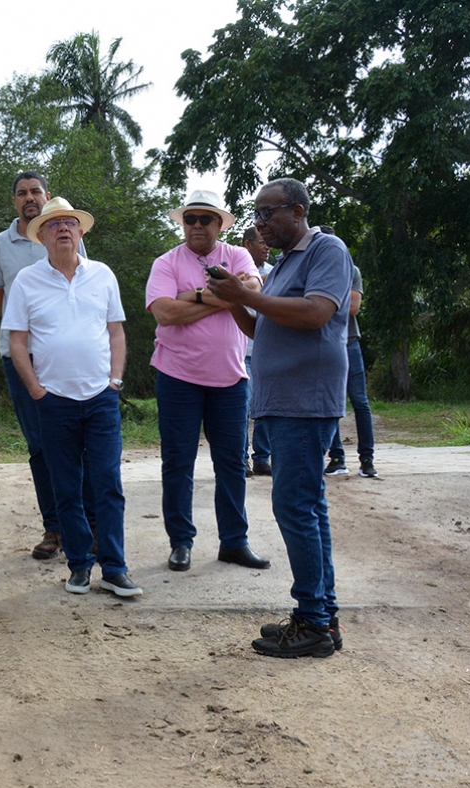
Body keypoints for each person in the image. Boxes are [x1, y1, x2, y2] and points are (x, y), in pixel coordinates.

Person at [208, 178, 351, 658]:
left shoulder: (325, 250)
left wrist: (247, 297)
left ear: (297, 210)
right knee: (308, 508)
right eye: (256, 214)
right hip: (282, 399)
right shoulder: (285, 264)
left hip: (305, 399)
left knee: (295, 507)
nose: (259, 223)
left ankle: (312, 620)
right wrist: (232, 299)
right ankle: (321, 617)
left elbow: (315, 314)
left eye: (268, 213)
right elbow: (262, 325)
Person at [4, 197, 140, 598]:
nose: (63, 228)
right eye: (54, 224)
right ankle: (79, 565)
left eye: (70, 223)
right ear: (41, 236)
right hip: (54, 401)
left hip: (100, 397)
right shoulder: (27, 280)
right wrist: (35, 390)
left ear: (80, 232)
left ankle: (115, 568)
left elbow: (116, 332)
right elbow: (17, 341)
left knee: (108, 483)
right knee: (65, 486)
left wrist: (115, 381)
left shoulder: (102, 275)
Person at [146, 191, 271, 575]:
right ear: (183, 223)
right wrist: (218, 294)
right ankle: (180, 543)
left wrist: (193, 296)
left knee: (232, 463)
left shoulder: (237, 256)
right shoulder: (166, 262)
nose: (197, 226)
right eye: (190, 219)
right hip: (176, 376)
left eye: (205, 219)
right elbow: (165, 313)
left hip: (231, 378)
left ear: (220, 224)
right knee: (178, 463)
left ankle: (234, 543)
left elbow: (253, 291)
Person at [0, 171, 93, 560]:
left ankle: (85, 526)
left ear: (48, 196)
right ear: (14, 201)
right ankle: (54, 528)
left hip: (65, 359)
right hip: (20, 358)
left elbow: (83, 288)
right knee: (40, 447)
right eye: (21, 193)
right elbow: (1, 299)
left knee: (77, 444)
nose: (29, 198)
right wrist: (26, 335)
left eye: (35, 192)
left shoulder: (68, 234)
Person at [319, 226, 379, 479]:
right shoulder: (314, 271)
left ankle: (367, 459)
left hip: (349, 342)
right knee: (329, 403)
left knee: (359, 401)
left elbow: (353, 307)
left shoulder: (351, 270)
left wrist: (321, 300)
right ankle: (337, 457)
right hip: (323, 343)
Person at [241, 226, 273, 477]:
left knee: (264, 407)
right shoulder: (236, 272)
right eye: (262, 242)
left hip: (266, 349)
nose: (267, 246)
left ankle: (262, 458)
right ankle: (242, 459)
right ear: (248, 244)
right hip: (242, 350)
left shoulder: (274, 274)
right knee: (244, 405)